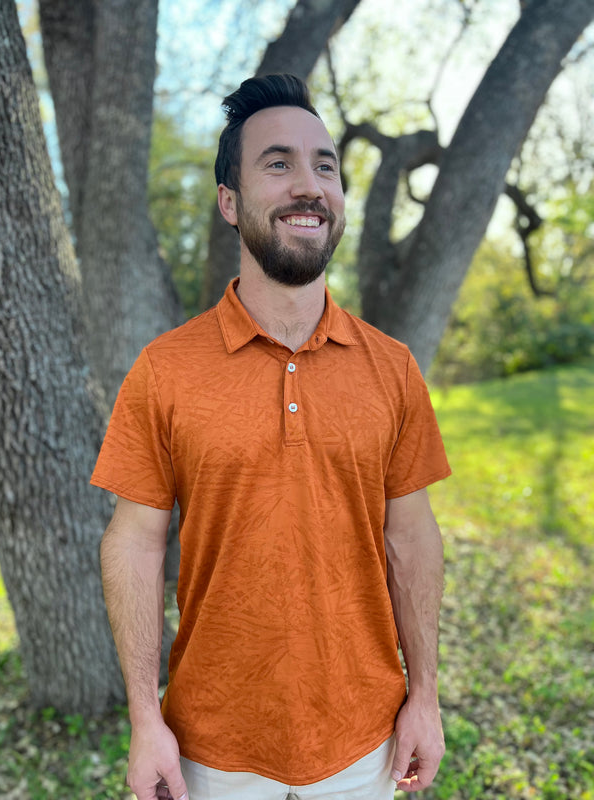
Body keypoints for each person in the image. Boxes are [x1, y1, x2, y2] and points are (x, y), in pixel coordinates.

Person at [92, 73, 451, 800]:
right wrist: (143, 717)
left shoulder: (392, 368)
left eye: (325, 165)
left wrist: (427, 695)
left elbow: (410, 538)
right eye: (278, 163)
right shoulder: (166, 370)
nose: (309, 184)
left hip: (365, 745)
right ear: (230, 202)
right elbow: (133, 540)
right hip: (210, 753)